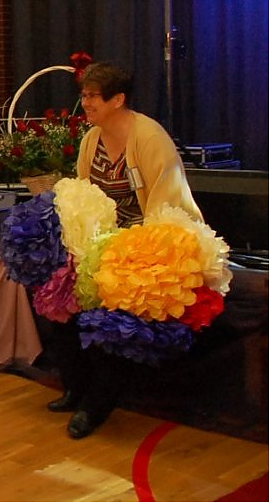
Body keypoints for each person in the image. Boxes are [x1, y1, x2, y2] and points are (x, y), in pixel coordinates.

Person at [46, 61, 203, 439]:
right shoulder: (91, 140)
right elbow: (84, 198)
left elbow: (165, 208)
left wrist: (127, 254)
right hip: (106, 243)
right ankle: (75, 386)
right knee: (58, 296)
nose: (85, 103)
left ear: (117, 100)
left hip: (151, 246)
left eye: (93, 96)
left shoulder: (149, 137)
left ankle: (96, 406)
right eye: (83, 95)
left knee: (114, 314)